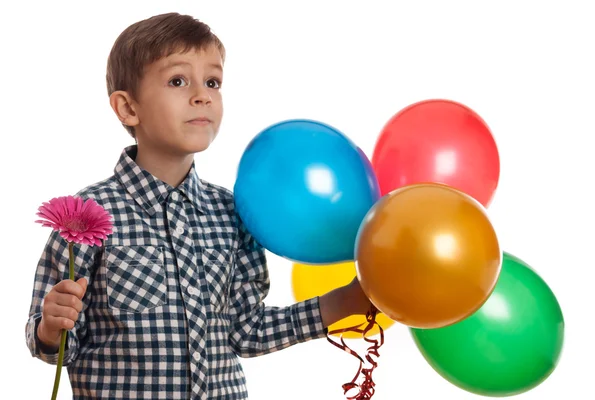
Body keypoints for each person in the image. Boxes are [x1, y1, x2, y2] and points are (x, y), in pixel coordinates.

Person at [25, 12, 374, 400]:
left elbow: (248, 331)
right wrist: (50, 329)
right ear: (128, 108)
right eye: (178, 80)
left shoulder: (233, 214)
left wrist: (344, 301)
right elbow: (51, 344)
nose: (202, 95)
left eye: (213, 82)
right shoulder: (85, 216)